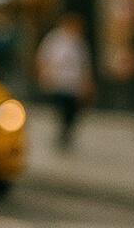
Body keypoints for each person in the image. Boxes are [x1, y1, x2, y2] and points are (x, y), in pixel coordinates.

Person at [36, 14, 94, 151]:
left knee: (73, 111)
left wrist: (87, 83)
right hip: (59, 82)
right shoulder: (54, 39)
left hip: (74, 84)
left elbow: (85, 64)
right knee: (61, 109)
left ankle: (66, 133)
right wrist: (44, 74)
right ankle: (62, 134)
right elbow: (43, 58)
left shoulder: (79, 43)